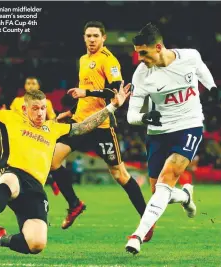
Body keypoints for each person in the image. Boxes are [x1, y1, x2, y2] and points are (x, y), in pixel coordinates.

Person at [0, 72, 131, 255]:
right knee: (10, 181)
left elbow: (84, 126)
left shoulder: (53, 128)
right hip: (13, 175)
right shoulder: (9, 119)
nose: (40, 113)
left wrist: (112, 106)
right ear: (25, 109)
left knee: (36, 244)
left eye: (43, 108)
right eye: (35, 108)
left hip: (35, 190)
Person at [50, 21, 150, 240]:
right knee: (53, 160)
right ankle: (74, 204)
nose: (92, 39)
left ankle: (146, 220)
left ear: (103, 38)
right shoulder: (83, 60)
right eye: (88, 36)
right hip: (78, 123)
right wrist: (71, 111)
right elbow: (83, 95)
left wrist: (86, 92)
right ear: (84, 38)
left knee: (119, 174)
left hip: (101, 126)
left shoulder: (109, 60)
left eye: (96, 35)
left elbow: (115, 91)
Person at [125, 23, 217, 254]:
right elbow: (131, 115)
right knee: (159, 191)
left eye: (143, 53)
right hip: (158, 134)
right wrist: (146, 118)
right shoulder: (142, 74)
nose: (140, 59)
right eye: (138, 53)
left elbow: (202, 71)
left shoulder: (190, 57)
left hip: (189, 126)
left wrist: (213, 88)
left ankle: (137, 235)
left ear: (158, 47)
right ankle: (185, 195)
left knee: (169, 176)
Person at [9, 76, 59, 195]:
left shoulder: (46, 102)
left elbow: (53, 120)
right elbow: (12, 117)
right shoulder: (17, 101)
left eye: (33, 83)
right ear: (25, 86)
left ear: (38, 87)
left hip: (37, 137)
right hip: (21, 136)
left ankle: (45, 183)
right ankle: (50, 180)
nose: (30, 85)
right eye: (28, 83)